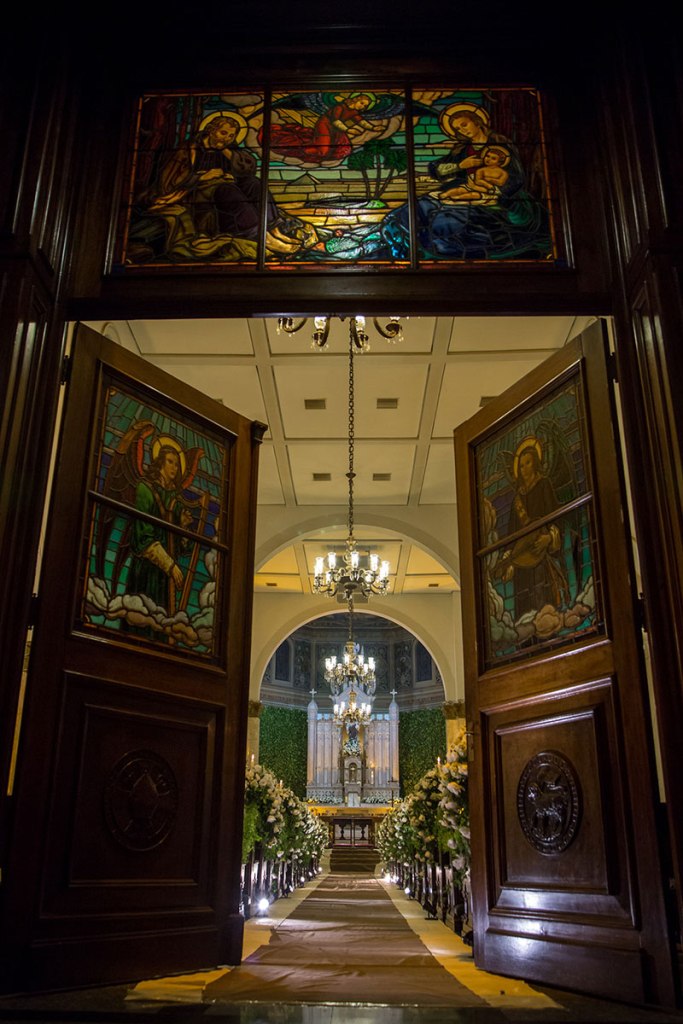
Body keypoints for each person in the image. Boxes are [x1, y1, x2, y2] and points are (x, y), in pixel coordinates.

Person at [130, 113, 316, 261]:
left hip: (221, 189)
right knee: (228, 190)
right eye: (223, 133)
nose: (227, 138)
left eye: (231, 135)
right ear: (211, 130)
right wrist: (202, 176)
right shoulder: (188, 150)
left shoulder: (228, 150)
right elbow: (171, 181)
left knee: (254, 184)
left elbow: (247, 169)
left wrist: (227, 153)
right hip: (194, 194)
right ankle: (260, 237)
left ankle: (272, 228)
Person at [498, 439, 569, 619]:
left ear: (536, 463)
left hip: (539, 553)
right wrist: (508, 557)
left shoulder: (544, 485)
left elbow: (554, 515)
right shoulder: (517, 500)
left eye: (528, 463)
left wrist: (549, 538)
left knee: (542, 595)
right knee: (524, 602)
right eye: (521, 465)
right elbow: (512, 532)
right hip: (523, 557)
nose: (524, 468)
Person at [127, 438, 193, 615]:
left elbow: (181, 548)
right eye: (170, 462)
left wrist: (184, 528)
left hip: (165, 578)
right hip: (147, 570)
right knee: (142, 616)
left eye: (177, 465)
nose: (174, 468)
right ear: (160, 462)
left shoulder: (175, 500)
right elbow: (143, 538)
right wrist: (170, 566)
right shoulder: (145, 489)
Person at [269, 93, 380, 165]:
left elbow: (361, 121)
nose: (362, 106)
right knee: (322, 151)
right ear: (355, 99)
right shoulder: (340, 107)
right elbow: (335, 120)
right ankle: (300, 150)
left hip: (336, 130)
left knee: (343, 148)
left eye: (364, 106)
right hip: (324, 126)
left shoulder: (354, 111)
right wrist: (348, 130)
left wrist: (374, 127)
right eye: (361, 103)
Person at [437, 145, 510, 203]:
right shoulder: (481, 170)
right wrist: (488, 185)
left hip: (488, 192)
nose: (488, 159)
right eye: (487, 156)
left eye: (493, 158)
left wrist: (488, 181)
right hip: (475, 186)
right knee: (460, 189)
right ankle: (446, 194)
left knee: (474, 195)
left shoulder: (503, 172)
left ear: (500, 162)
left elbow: (501, 183)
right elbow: (478, 181)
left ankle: (458, 198)